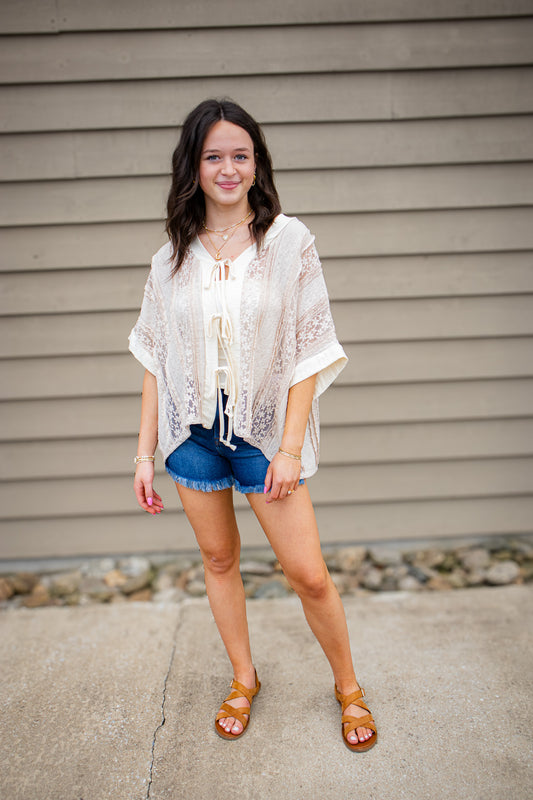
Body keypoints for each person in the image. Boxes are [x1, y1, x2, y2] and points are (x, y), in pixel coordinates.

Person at [129, 99, 377, 752]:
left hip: (265, 441)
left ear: (257, 163)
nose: (229, 167)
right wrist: (142, 454)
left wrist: (289, 449)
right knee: (219, 560)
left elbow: (309, 350)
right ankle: (244, 677)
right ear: (194, 166)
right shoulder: (169, 259)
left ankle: (347, 687)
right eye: (214, 156)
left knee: (309, 574)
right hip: (192, 441)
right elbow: (156, 358)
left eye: (241, 154)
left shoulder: (288, 242)